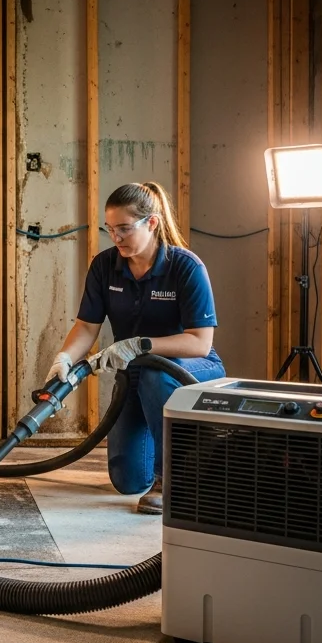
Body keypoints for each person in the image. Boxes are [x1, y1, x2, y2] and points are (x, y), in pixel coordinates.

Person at [47, 182, 226, 515]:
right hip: (136, 374)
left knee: (157, 377)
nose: (116, 238)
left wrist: (140, 346)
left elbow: (200, 342)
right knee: (127, 481)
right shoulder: (104, 266)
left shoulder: (186, 267)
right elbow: (86, 326)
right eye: (110, 229)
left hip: (187, 370)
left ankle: (171, 480)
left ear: (152, 223)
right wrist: (65, 358)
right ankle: (158, 436)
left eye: (125, 229)